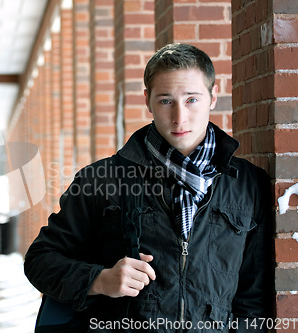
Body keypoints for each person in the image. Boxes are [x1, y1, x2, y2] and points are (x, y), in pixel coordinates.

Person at [24, 43, 273, 332]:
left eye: (192, 99)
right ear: (148, 101)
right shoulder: (100, 179)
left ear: (213, 97)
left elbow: (253, 300)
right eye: (166, 101)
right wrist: (99, 280)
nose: (179, 117)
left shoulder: (248, 184)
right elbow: (40, 260)